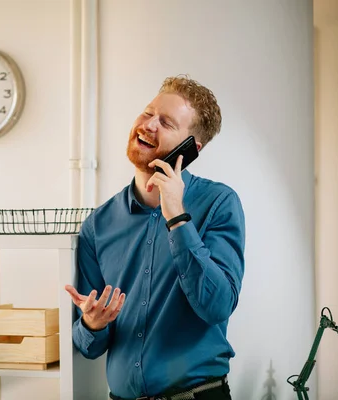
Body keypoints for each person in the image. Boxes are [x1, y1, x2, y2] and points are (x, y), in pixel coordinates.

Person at [65, 75, 245, 400]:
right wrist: (92, 324)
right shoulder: (99, 224)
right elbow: (89, 346)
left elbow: (217, 306)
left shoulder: (219, 204)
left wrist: (177, 216)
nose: (148, 125)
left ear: (191, 149)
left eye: (166, 122)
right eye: (148, 113)